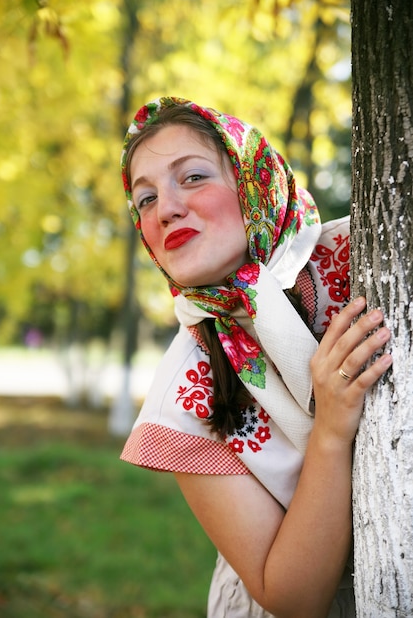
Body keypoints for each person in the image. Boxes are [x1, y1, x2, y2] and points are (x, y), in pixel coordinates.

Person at [119, 96, 392, 618]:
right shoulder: (180, 399)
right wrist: (331, 431)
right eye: (145, 199)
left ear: (254, 179)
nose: (167, 208)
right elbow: (292, 596)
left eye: (192, 177)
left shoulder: (370, 256)